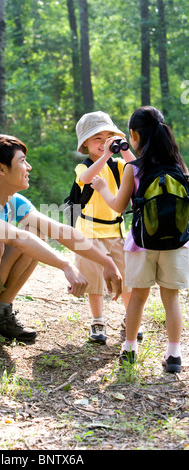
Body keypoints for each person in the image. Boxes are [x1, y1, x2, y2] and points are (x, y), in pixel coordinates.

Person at [0, 134, 122, 355]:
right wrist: (66, 265)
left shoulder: (13, 202)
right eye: (22, 161)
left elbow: (62, 231)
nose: (29, 167)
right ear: (1, 169)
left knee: (35, 231)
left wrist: (106, 262)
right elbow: (15, 238)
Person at [91, 106, 189, 373]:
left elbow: (118, 207)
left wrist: (101, 188)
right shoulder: (179, 165)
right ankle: (174, 356)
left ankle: (130, 348)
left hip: (141, 244)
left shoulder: (132, 169)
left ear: (133, 135)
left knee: (137, 298)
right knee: (171, 300)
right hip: (177, 243)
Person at [73, 111, 141, 345]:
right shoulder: (83, 167)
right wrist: (104, 157)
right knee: (94, 282)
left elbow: (137, 168)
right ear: (85, 144)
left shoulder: (119, 165)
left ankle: (129, 317)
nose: (103, 144)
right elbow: (86, 179)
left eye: (108, 138)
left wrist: (122, 149)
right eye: (97, 139)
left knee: (126, 279)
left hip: (115, 231)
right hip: (89, 233)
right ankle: (98, 320)